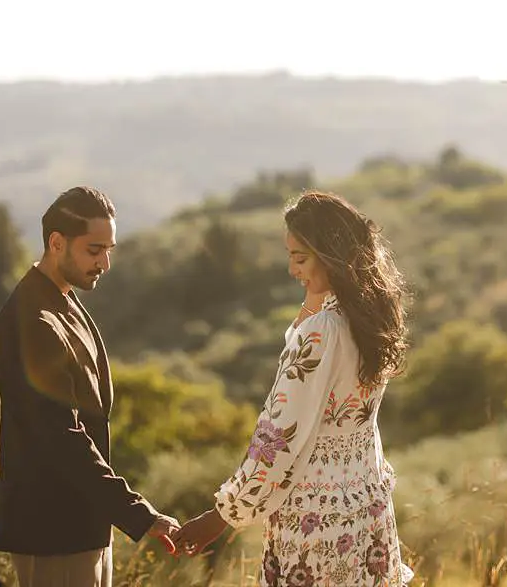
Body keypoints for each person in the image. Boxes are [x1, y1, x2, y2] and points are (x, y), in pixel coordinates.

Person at [174, 190, 414, 586]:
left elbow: (276, 440)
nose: (291, 270)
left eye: (299, 258)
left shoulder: (322, 332)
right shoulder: (371, 321)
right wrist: (314, 294)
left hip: (315, 525)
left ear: (330, 255)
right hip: (367, 510)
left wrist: (221, 517)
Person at [0, 185, 180, 587]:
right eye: (95, 250)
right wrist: (139, 514)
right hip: (51, 532)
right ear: (57, 243)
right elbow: (62, 437)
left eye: (109, 249)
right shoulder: (34, 322)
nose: (105, 263)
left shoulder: (63, 301)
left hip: (82, 525)